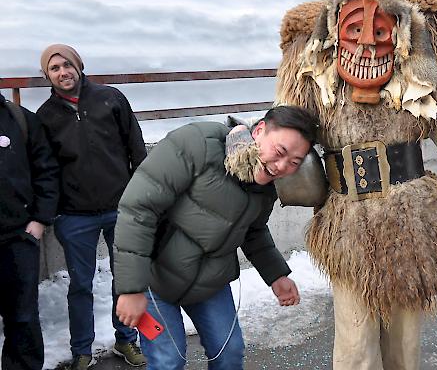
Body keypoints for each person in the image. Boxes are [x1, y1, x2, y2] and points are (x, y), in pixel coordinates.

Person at [275, 0, 437, 369]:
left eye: (378, 32)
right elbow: (281, 131)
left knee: (402, 348)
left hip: (411, 224)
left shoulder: (418, 86)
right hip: (347, 228)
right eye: (355, 31)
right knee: (355, 347)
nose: (366, 45)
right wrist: (245, 143)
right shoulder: (317, 84)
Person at [113, 105, 318, 370]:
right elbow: (137, 209)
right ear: (259, 131)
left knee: (230, 354)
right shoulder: (197, 143)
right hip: (154, 279)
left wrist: (277, 275)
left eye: (294, 162)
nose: (281, 167)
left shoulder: (266, 185)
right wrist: (131, 289)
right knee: (168, 362)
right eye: (279, 152)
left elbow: (254, 230)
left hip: (211, 282)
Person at [36, 44, 147, 369]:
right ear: (48, 76)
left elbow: (136, 147)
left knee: (125, 280)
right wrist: (52, 211)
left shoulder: (110, 98)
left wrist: (141, 196)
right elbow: (45, 166)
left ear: (78, 66)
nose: (62, 72)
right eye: (54, 69)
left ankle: (126, 340)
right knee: (80, 285)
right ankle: (81, 350)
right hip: (74, 216)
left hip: (121, 208)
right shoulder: (46, 116)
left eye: (66, 65)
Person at [0, 94, 58, 369]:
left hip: (17, 238)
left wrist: (39, 220)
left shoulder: (19, 119)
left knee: (22, 319)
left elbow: (46, 171)